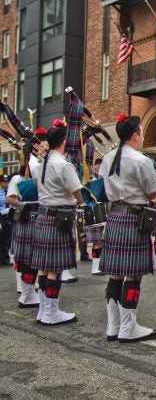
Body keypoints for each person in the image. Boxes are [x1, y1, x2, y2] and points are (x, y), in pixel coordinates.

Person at [99, 114, 156, 343]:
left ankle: (113, 327)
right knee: (133, 276)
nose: (143, 137)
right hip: (134, 219)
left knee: (116, 275)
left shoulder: (107, 159)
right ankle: (128, 328)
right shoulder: (141, 160)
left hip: (114, 217)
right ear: (135, 135)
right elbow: (153, 193)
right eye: (142, 133)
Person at [31, 121, 83, 325]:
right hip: (58, 218)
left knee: (44, 268)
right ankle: (52, 312)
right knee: (55, 269)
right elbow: (77, 192)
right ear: (64, 142)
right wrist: (82, 201)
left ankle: (44, 310)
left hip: (44, 216)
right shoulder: (63, 164)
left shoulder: (43, 163)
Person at [7, 136, 45, 309]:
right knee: (29, 259)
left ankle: (27, 294)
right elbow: (10, 199)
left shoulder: (30, 171)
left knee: (28, 259)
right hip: (29, 216)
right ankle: (27, 294)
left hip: (29, 217)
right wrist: (26, 204)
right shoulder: (30, 171)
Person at [87, 158, 104, 275]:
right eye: (99, 167)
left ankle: (99, 266)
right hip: (95, 213)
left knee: (101, 241)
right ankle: (95, 267)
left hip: (104, 212)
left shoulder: (106, 181)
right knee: (97, 241)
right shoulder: (91, 182)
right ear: (95, 168)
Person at [0, 174, 12, 266]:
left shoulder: (10, 191)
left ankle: (5, 258)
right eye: (4, 182)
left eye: (7, 181)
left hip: (9, 215)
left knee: (7, 238)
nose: (6, 183)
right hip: (1, 216)